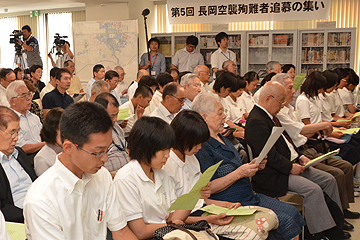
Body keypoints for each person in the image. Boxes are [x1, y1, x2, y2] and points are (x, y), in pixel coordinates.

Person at [192, 92, 305, 240]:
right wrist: (240, 173)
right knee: (284, 219)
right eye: (220, 113)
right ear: (204, 117)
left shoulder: (224, 138)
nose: (224, 117)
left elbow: (236, 168)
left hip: (248, 196)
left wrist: (252, 166)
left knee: (292, 212)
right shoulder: (202, 147)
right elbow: (206, 189)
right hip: (230, 203)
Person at [246, 81, 348, 239]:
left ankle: (335, 224)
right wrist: (290, 168)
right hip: (273, 174)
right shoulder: (256, 121)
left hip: (288, 165)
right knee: (312, 190)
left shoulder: (272, 116)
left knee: (329, 179)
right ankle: (319, 233)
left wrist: (299, 156)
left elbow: (287, 142)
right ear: (268, 98)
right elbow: (268, 155)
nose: (282, 106)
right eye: (280, 101)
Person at [23, 102, 138, 239]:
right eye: (98, 152)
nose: (105, 159)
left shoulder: (102, 176)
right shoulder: (41, 199)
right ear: (69, 148)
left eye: (107, 150)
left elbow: (121, 231)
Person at [114, 116, 234, 240]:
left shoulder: (160, 173)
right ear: (146, 148)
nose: (167, 155)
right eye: (163, 150)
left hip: (169, 232)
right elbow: (141, 232)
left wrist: (196, 195)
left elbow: (173, 217)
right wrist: (172, 225)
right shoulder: (126, 178)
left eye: (168, 149)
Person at [273, 73, 359, 224]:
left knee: (345, 166)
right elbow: (302, 129)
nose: (294, 91)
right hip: (303, 149)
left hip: (306, 146)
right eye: (291, 87)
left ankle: (341, 211)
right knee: (335, 174)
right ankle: (336, 218)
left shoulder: (290, 108)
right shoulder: (281, 112)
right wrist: (328, 126)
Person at [0, 106, 37, 223]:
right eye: (12, 133)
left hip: (40, 207)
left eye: (18, 132)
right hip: (19, 220)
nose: (16, 138)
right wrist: (31, 216)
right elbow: (2, 209)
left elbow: (36, 183)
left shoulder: (19, 154)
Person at [6, 81, 45, 160]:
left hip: (42, 152)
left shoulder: (34, 117)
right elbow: (22, 148)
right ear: (13, 101)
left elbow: (44, 136)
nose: (29, 98)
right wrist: (47, 144)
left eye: (29, 94)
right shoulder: (9, 120)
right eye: (24, 96)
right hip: (24, 158)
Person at [95, 93, 130, 176]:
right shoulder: (93, 133)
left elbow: (124, 148)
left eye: (117, 114)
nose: (115, 119)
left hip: (125, 169)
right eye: (112, 116)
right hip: (109, 174)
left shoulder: (116, 127)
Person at [34, 108, 63, 176]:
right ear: (52, 130)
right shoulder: (42, 159)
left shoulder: (71, 149)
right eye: (61, 129)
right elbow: (46, 184)